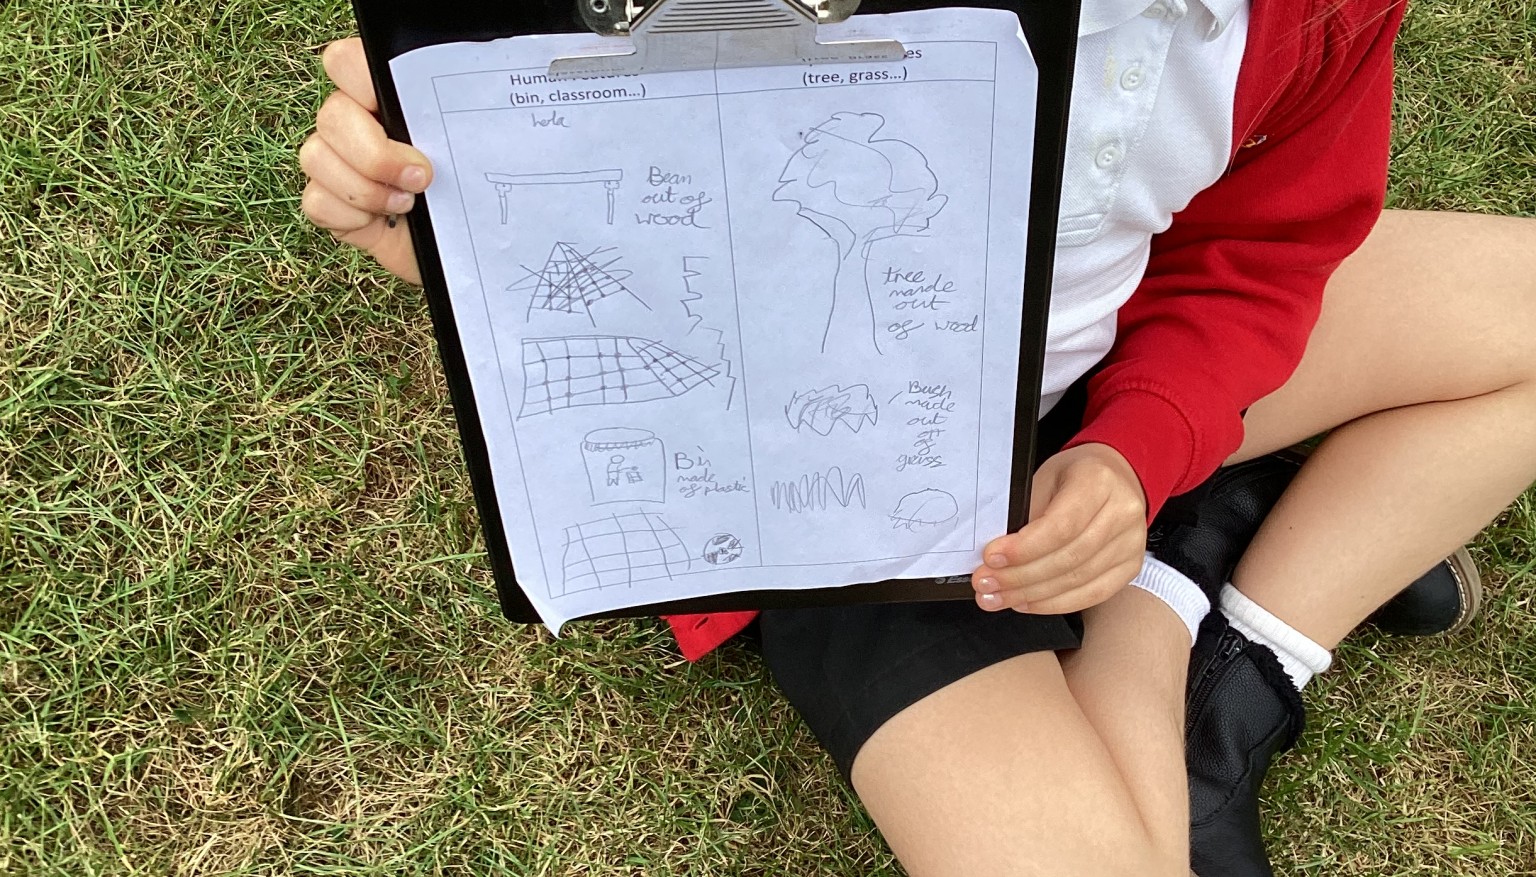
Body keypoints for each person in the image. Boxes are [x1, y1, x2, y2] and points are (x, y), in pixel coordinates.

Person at [299, 3, 1536, 873]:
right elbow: (640, 244)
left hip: (1124, 347)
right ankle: (1170, 582)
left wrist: (1139, 450)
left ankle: (1236, 661)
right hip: (858, 483)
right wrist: (439, 219)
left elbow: (1262, 249)